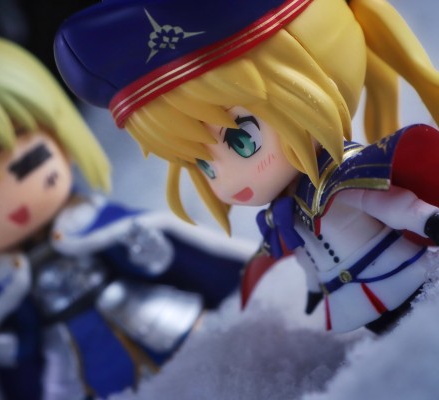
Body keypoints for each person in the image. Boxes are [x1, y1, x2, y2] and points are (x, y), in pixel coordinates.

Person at [0, 1, 252, 399]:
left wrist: (151, 250)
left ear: (61, 136)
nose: (10, 204)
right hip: (86, 371)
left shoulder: (98, 226)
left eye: (28, 163)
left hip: (159, 320)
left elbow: (191, 263)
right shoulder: (6, 295)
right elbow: (22, 353)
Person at [54, 0, 439, 334]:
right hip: (352, 300)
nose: (226, 178)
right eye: (203, 164)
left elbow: (384, 202)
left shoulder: (347, 176)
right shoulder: (282, 217)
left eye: (242, 141)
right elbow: (305, 255)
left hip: (401, 272)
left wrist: (423, 219)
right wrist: (312, 290)